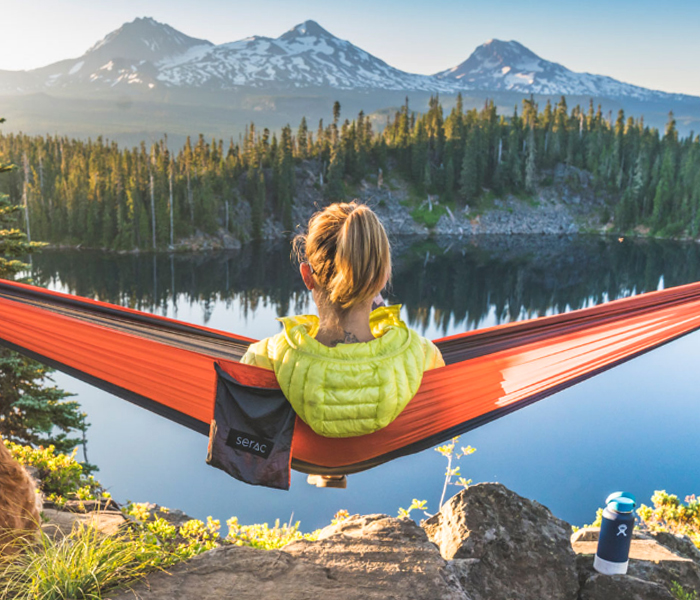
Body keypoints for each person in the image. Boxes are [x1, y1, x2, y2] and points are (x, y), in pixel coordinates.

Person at [241, 201, 444, 487]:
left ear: (306, 276)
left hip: (302, 450)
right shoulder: (422, 356)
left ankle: (325, 468)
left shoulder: (266, 358)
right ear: (384, 277)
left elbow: (248, 435)